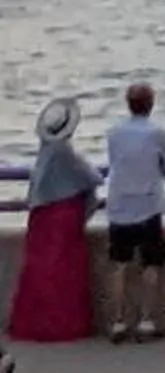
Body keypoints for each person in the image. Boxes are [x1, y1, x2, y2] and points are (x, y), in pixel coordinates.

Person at [6, 96, 99, 346]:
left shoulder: (43, 155)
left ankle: (34, 323)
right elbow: (91, 177)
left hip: (42, 218)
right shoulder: (65, 153)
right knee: (65, 268)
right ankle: (64, 325)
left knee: (40, 268)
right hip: (64, 216)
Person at [102, 83, 165, 344]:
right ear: (151, 104)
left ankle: (118, 322)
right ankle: (146, 321)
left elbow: (113, 163)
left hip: (119, 204)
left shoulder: (114, 133)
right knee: (151, 264)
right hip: (148, 205)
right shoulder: (157, 133)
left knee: (119, 264)